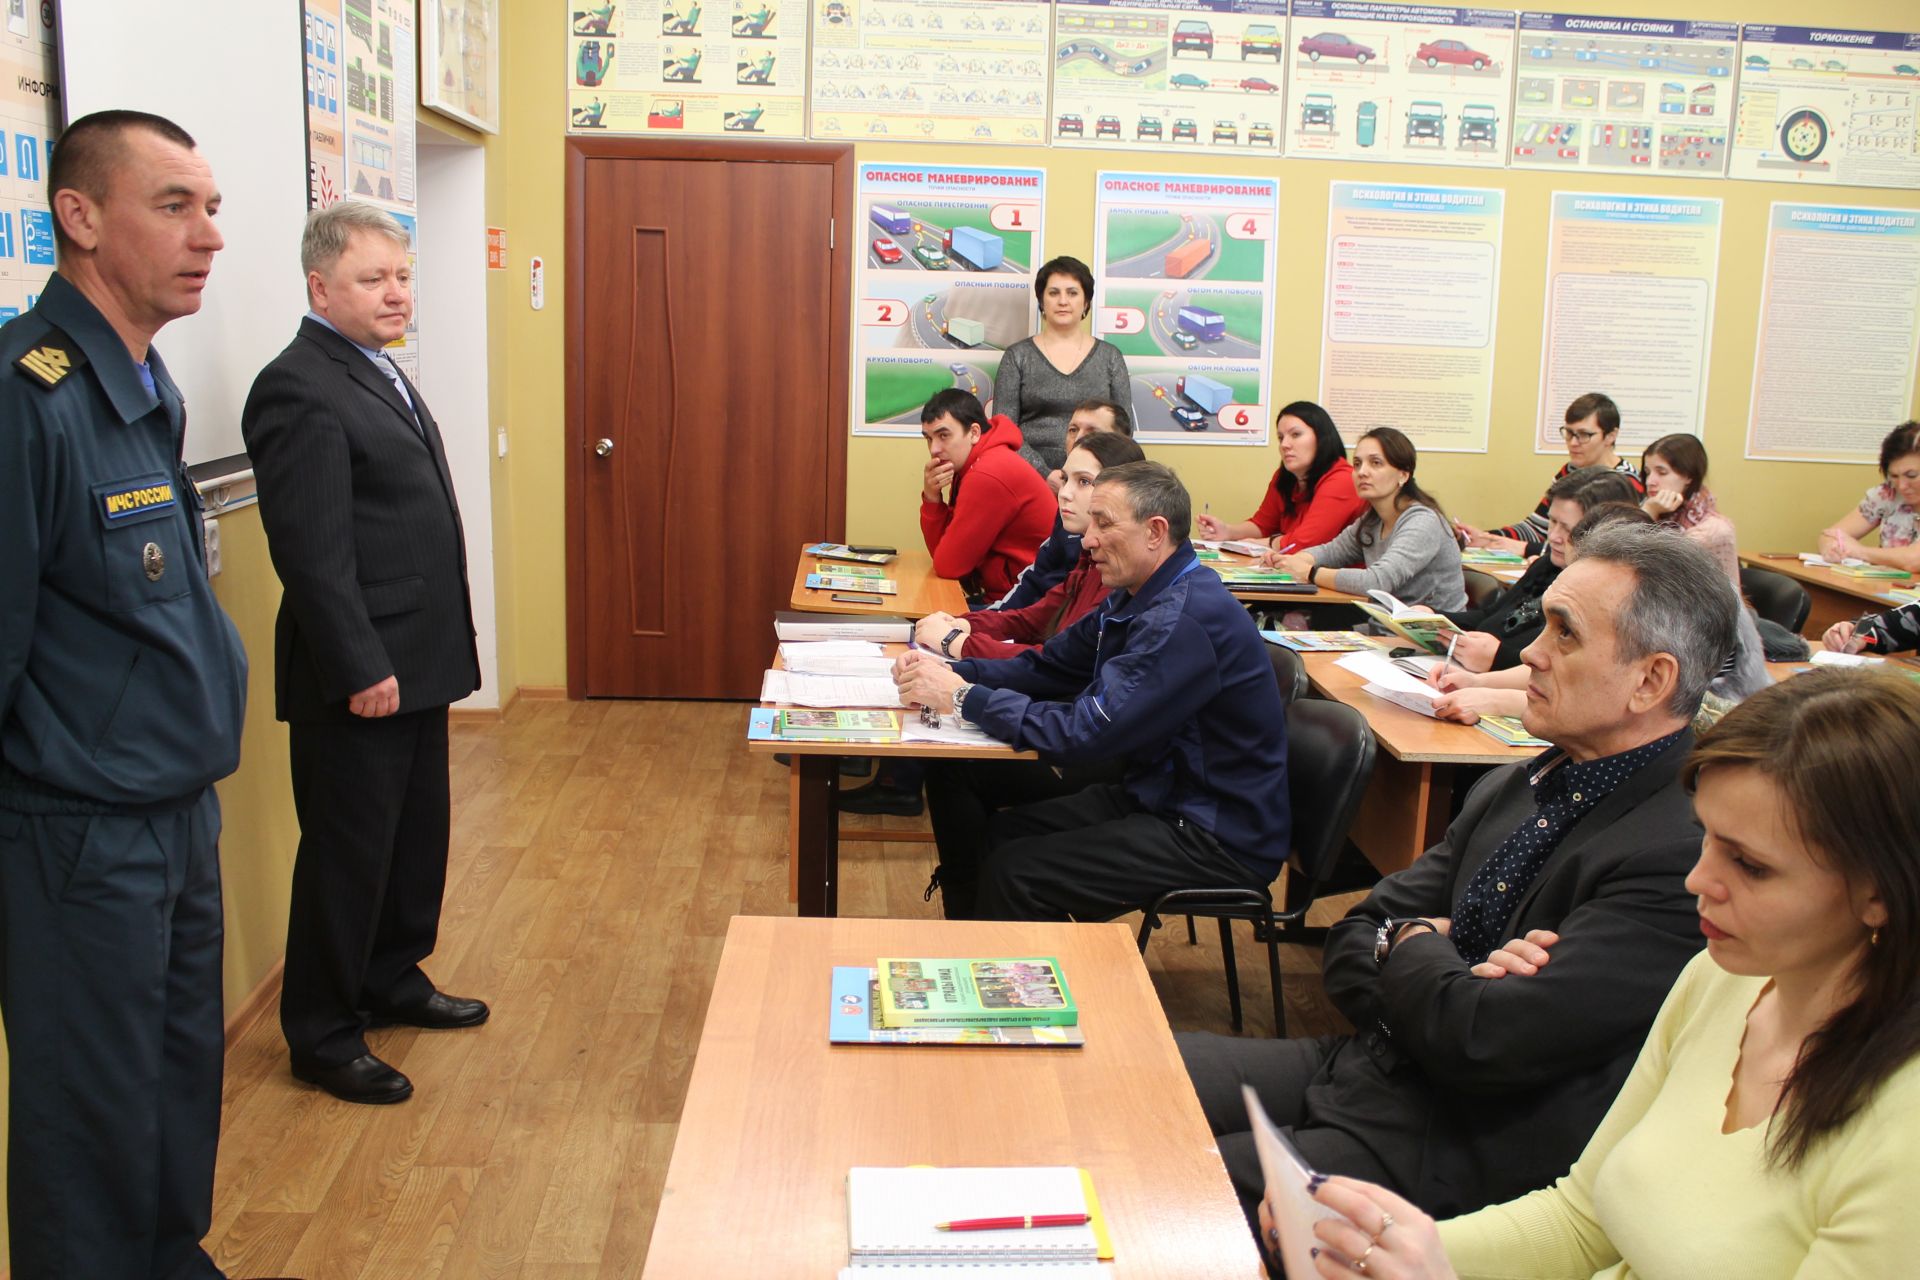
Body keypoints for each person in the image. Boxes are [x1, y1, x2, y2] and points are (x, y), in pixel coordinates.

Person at [1180, 524, 1739, 1239]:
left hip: (1448, 1137)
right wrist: (1441, 975)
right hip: (1369, 1062)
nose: (1529, 653)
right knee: (1138, 1080)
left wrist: (1410, 942)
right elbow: (1352, 939)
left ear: (1651, 680)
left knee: (1176, 1185)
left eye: (1564, 635)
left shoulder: (1682, 855)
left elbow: (1483, 1040)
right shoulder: (1522, 780)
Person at [1288, 668, 1920, 1280]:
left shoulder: (1902, 1131)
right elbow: (1581, 1221)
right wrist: (1374, 1247)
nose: (1699, 880)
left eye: (1750, 866)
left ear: (1880, 892)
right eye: (1708, 838)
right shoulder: (1720, 978)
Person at [0, 110, 248, 1280]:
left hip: (174, 808)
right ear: (81, 216)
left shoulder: (143, 385)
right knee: (85, 1110)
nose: (207, 235)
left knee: (172, 1076)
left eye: (211, 209)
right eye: (174, 206)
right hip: (74, 833)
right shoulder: (28, 396)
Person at [243, 200, 487, 1106]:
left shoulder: (373, 367)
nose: (395, 294)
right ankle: (321, 1031)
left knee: (414, 840)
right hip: (363, 674)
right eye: (372, 279)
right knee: (348, 856)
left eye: (402, 276)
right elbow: (309, 551)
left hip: (413, 661)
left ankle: (392, 976)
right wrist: (358, 666)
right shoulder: (298, 383)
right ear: (320, 286)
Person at [894, 461, 1289, 922]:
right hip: (1157, 795)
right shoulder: (1137, 594)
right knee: (1000, 836)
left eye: (1104, 523)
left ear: (1155, 532)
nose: (1087, 539)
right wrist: (947, 670)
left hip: (1215, 833)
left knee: (1015, 871)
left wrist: (962, 697)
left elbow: (1085, 732)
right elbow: (1048, 666)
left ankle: (1019, 987)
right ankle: (976, 960)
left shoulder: (1181, 619)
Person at [1432, 503, 1770, 731]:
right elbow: (1573, 667)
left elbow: (1667, 708)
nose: (1532, 652)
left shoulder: (1678, 601)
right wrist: (1479, 683)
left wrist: (1496, 697)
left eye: (1566, 632)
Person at [914, 430, 1145, 660]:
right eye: (1064, 480)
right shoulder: (1088, 556)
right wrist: (963, 623)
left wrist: (957, 643)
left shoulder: (1119, 573)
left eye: (1083, 482)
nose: (1064, 494)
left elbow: (1057, 663)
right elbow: (1034, 617)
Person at [1441, 470, 1641, 674]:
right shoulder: (1547, 565)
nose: (1554, 536)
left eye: (1567, 528)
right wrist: (1434, 618)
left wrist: (1498, 659)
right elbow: (1490, 616)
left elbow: (1564, 669)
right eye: (1552, 522)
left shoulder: (1599, 602)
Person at [1270, 427, 1467, 611]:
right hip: (1385, 629)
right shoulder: (1373, 520)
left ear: (1403, 475)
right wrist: (1292, 561)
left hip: (1430, 638)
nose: (1362, 472)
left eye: (1376, 463)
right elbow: (1332, 551)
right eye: (1357, 464)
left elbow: (1376, 582)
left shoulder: (1422, 521)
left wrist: (1310, 572)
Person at [981, 397, 1132, 613]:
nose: (1079, 438)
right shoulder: (1069, 511)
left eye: (1092, 431)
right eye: (1072, 430)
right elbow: (1034, 583)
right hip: (1029, 621)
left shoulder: (1123, 547)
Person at [992, 255, 1131, 476]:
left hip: (1096, 478)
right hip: (1027, 477)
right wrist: (1043, 473)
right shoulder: (1017, 356)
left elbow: (1125, 433)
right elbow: (1004, 430)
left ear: (1086, 302)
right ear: (1041, 301)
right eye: (1054, 292)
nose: (1063, 301)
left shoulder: (1110, 357)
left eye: (1072, 293)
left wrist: (1089, 476)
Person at [1458, 393, 1644, 554]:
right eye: (1569, 433)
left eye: (1584, 435)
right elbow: (1536, 527)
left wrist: (1525, 548)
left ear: (1611, 436)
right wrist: (1488, 538)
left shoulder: (1625, 483)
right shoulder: (1570, 471)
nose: (1573, 442)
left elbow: (1599, 552)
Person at [917, 387, 1056, 602]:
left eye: (943, 435)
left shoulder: (987, 473)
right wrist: (932, 498)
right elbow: (944, 556)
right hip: (1012, 596)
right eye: (928, 438)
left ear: (973, 433)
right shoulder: (972, 464)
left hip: (1025, 604)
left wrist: (932, 502)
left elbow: (949, 566)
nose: (934, 449)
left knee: (923, 623)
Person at [1194, 400, 1364, 554]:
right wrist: (1228, 532)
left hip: (1335, 579)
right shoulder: (1285, 477)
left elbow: (1305, 543)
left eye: (1295, 435)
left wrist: (1266, 543)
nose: (1284, 445)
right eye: (1281, 437)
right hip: (1296, 572)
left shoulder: (1343, 479)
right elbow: (1263, 524)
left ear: (1321, 438)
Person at [1819, 420, 1920, 573]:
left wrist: (1860, 551)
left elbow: (1914, 561)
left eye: (1911, 475)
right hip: (1888, 591)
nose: (1902, 485)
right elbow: (1830, 535)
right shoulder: (1887, 494)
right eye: (1894, 475)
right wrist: (1832, 549)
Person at [1641, 432, 1738, 585]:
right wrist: (1648, 511)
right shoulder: (1656, 511)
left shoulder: (1713, 529)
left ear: (1688, 476)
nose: (1650, 481)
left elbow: (1653, 571)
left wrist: (1647, 513)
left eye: (1661, 472)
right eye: (1647, 473)